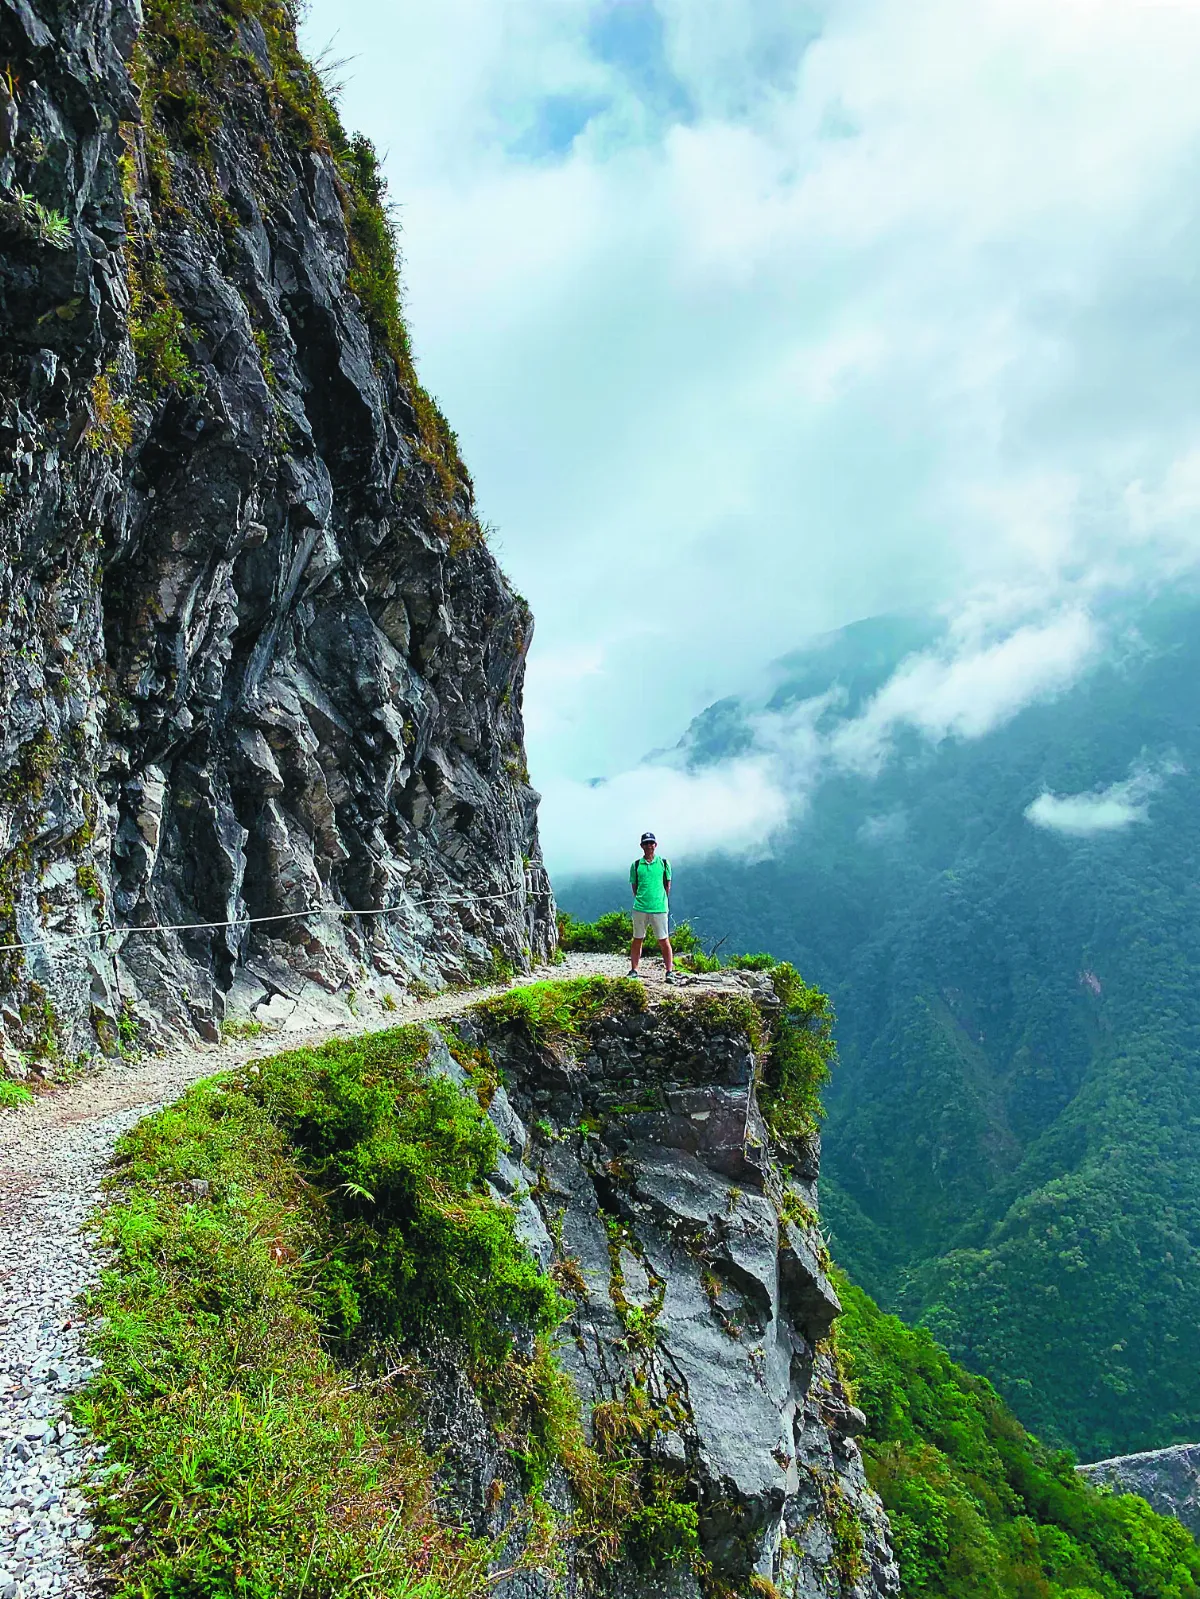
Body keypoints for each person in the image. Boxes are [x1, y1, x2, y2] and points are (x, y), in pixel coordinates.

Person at [628, 832, 677, 983]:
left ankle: (669, 971)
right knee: (637, 939)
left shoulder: (664, 863)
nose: (649, 846)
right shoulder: (636, 865)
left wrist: (660, 900)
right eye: (646, 843)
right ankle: (634, 969)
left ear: (655, 845)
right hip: (640, 908)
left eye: (651, 843)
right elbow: (634, 887)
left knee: (664, 940)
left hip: (659, 908)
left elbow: (667, 885)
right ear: (641, 846)